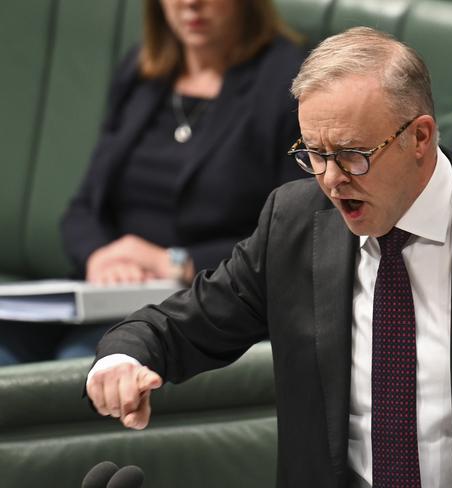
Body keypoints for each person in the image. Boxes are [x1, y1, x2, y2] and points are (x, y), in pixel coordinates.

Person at [86, 27, 452, 487]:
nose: (331, 181)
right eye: (314, 154)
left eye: (353, 155)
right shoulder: (295, 222)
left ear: (420, 137)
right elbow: (188, 323)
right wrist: (125, 358)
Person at [0, 0, 305, 365]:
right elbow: (83, 208)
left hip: (204, 299)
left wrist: (175, 262)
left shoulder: (288, 81)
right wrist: (101, 257)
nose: (191, 4)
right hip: (106, 291)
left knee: (85, 363)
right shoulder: (143, 72)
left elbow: (294, 237)